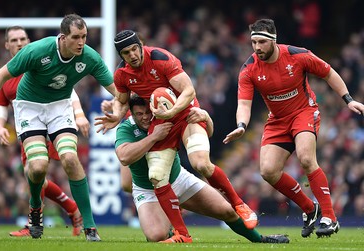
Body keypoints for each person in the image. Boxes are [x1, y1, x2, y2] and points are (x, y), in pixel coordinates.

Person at [0, 14, 117, 241]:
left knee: (70, 158)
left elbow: (117, 89)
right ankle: (35, 209)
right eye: (76, 37)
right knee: (37, 168)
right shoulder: (37, 51)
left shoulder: (90, 57)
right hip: (30, 107)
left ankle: (90, 227)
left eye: (84, 36)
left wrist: (122, 109)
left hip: (59, 108)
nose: (81, 42)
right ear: (62, 38)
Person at [95, 30, 257, 242]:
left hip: (187, 115)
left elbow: (189, 91)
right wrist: (116, 115)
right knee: (157, 175)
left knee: (200, 163)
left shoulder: (161, 58)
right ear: (121, 56)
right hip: (161, 122)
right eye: (127, 52)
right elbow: (122, 99)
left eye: (135, 49)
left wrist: (173, 113)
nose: (133, 55)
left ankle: (238, 204)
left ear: (141, 44)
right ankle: (182, 233)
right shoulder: (122, 75)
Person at [223, 18, 364, 238]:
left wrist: (348, 100)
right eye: (254, 43)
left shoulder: (298, 55)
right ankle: (309, 208)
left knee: (307, 158)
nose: (257, 47)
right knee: (268, 171)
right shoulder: (249, 69)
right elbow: (243, 104)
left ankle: (330, 217)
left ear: (274, 40)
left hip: (303, 113)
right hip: (277, 120)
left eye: (261, 42)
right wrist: (242, 125)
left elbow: (328, 73)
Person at [115, 94, 289, 244]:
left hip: (178, 179)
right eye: (139, 114)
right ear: (131, 113)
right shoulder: (126, 128)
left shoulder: (167, 115)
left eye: (148, 113)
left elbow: (208, 132)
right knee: (156, 235)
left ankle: (260, 239)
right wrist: (154, 137)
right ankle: (170, 225)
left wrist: (206, 117)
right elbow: (124, 156)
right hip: (147, 189)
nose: (145, 117)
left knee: (227, 211)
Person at [0, 26, 85, 237]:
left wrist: (79, 114)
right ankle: (71, 209)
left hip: (51, 126)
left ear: (29, 41)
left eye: (23, 38)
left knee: (34, 172)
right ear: (7, 45)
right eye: (14, 40)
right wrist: (0, 126)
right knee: (35, 175)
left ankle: (35, 222)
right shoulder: (7, 74)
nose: (19, 43)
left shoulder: (42, 63)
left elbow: (67, 90)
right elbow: (0, 102)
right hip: (29, 129)